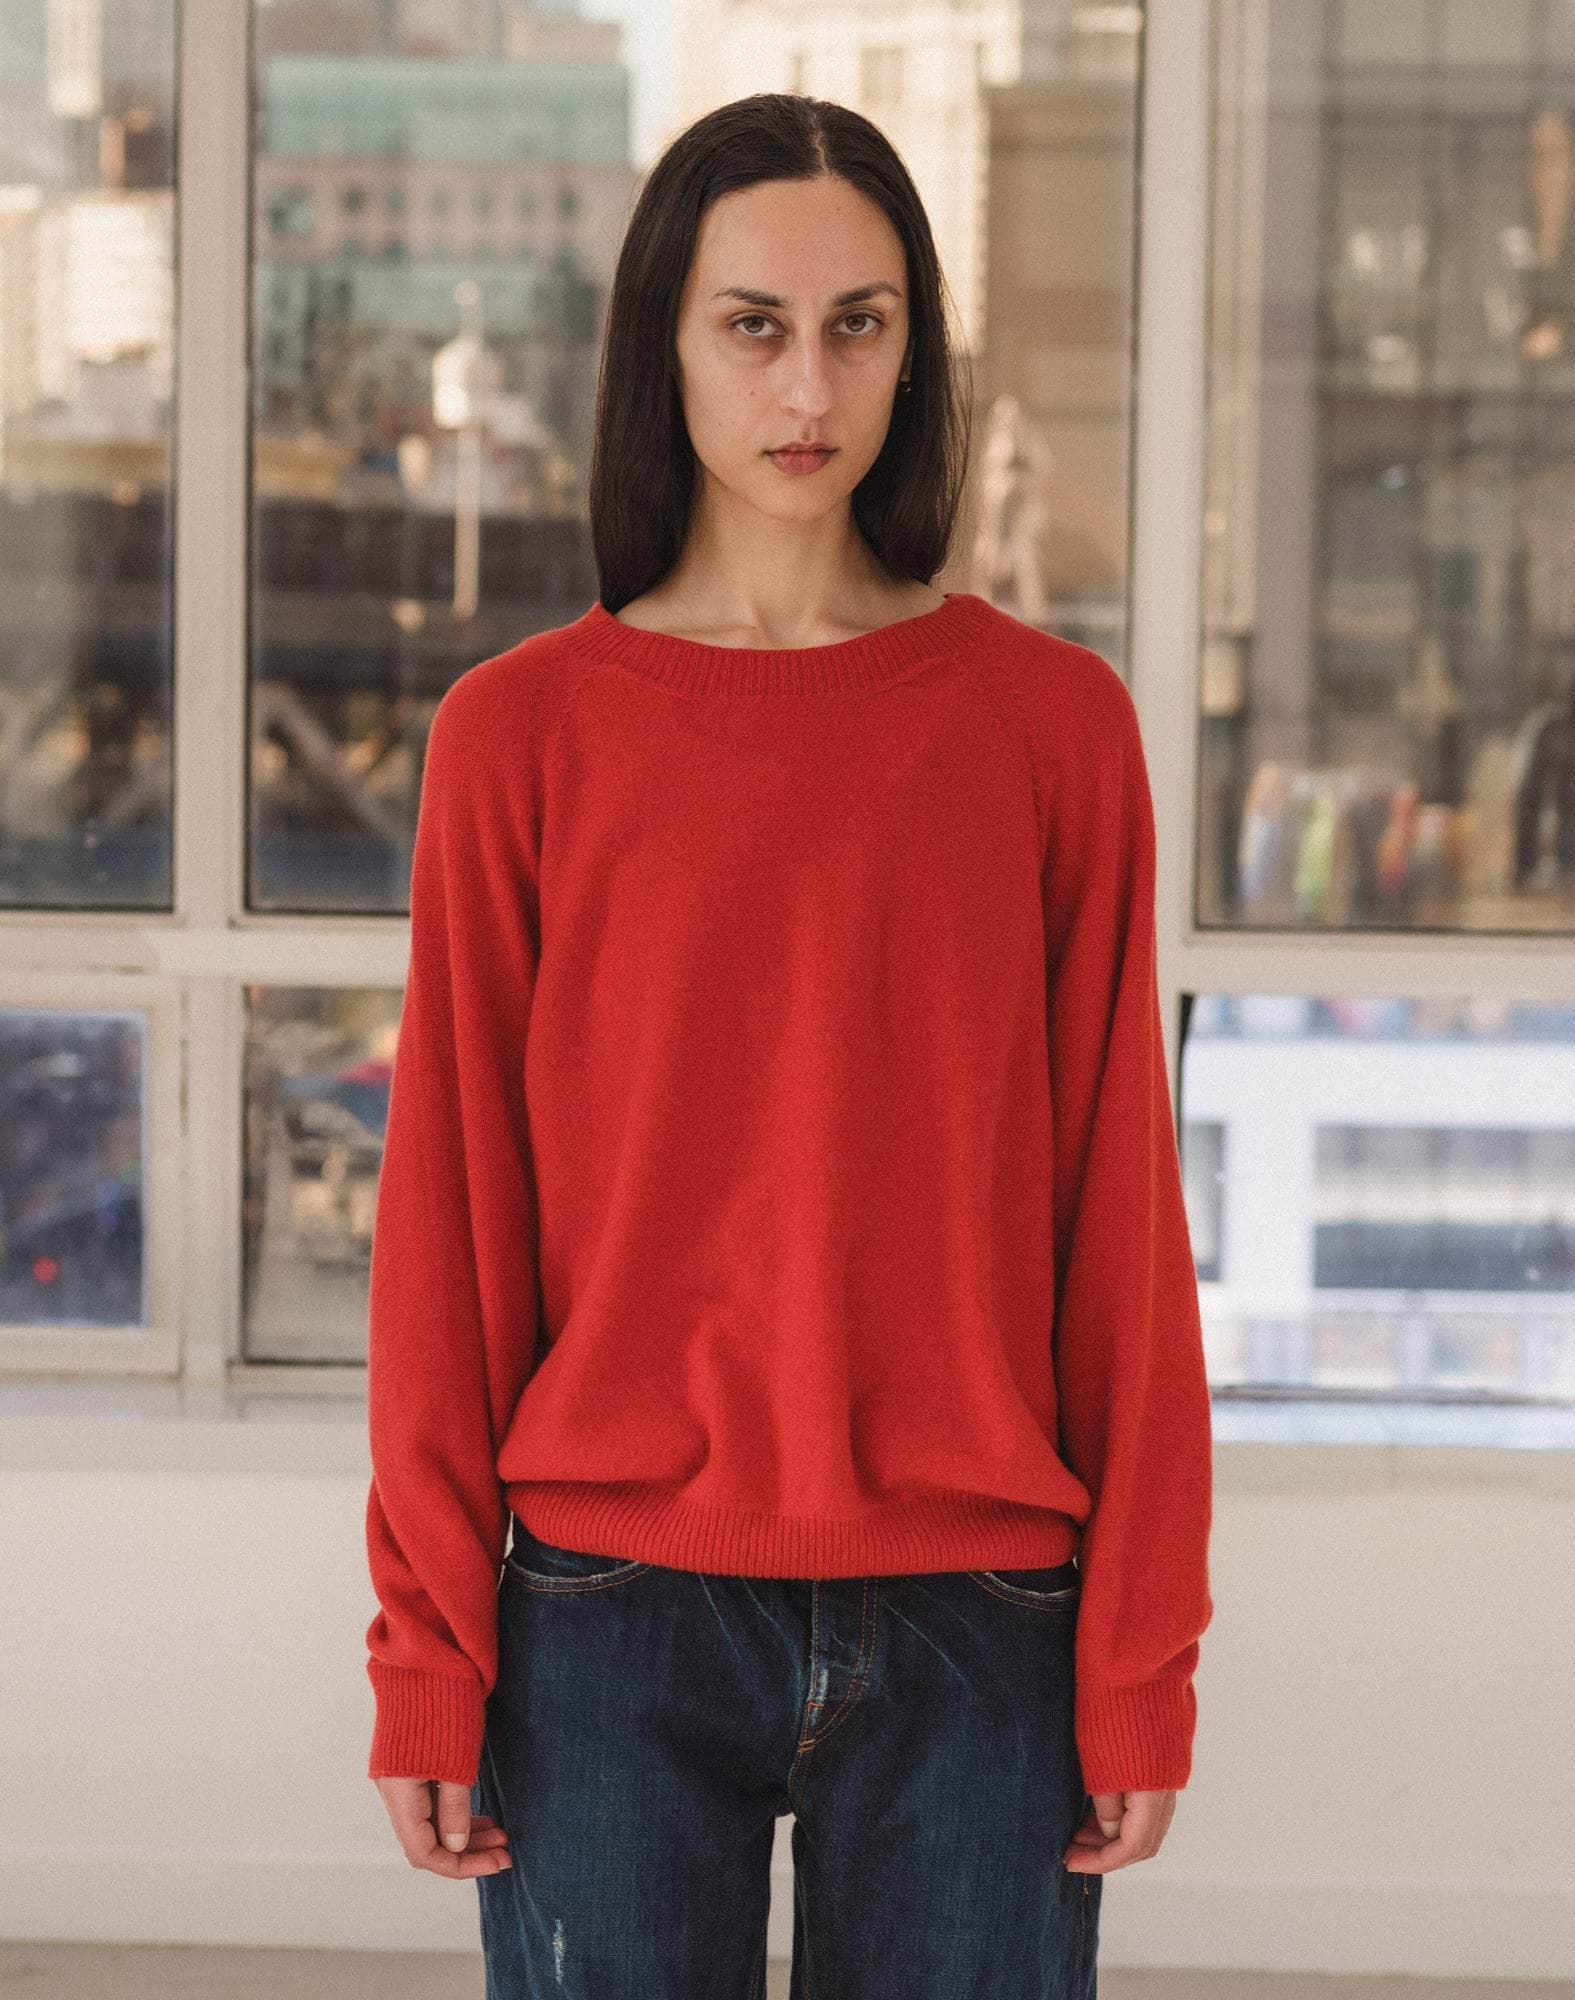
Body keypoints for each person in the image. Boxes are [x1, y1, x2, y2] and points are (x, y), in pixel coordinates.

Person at [364, 91, 1213, 1999]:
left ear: (917, 353)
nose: (809, 383)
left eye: (862, 324)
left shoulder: (1051, 730)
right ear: (662, 346)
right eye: (753, 324)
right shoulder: (521, 738)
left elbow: (1119, 1220)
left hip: (982, 1608)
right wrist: (427, 1644)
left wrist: (1140, 1658)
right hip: (606, 1608)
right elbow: (448, 1228)